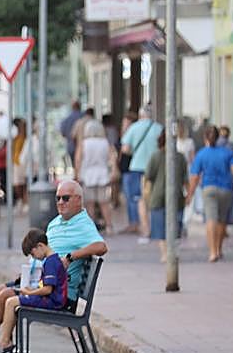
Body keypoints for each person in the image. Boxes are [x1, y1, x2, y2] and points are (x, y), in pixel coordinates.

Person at [0, 179, 107, 353]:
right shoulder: (55, 223)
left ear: (78, 199)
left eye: (65, 198)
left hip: (56, 292)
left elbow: (101, 246)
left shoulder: (83, 224)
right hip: (36, 279)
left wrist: (71, 257)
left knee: (7, 295)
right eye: (58, 198)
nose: (60, 202)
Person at [185, 125, 233, 262]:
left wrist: (189, 195)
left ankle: (212, 252)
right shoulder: (227, 153)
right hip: (226, 190)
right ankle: (219, 249)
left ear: (205, 138)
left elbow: (195, 177)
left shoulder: (201, 154)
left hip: (208, 189)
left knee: (211, 220)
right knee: (222, 221)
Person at [143, 132, 188, 262]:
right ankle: (172, 251)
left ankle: (164, 254)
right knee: (175, 225)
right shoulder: (180, 157)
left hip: (157, 197)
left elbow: (147, 178)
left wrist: (146, 195)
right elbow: (185, 179)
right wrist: (188, 195)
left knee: (159, 227)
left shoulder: (155, 157)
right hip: (177, 196)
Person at [120, 107, 162, 240]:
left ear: (140, 115)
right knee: (155, 200)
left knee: (141, 200)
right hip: (156, 167)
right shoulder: (159, 128)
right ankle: (157, 228)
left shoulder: (134, 128)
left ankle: (146, 229)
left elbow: (125, 148)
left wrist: (136, 153)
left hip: (137, 167)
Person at [75, 118, 115, 233]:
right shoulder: (105, 143)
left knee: (89, 203)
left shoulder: (83, 143)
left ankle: (91, 228)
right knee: (104, 202)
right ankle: (109, 226)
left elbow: (78, 160)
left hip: (87, 175)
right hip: (103, 174)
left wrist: (77, 174)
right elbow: (112, 158)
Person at [58, 100, 83, 168]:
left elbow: (62, 133)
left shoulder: (66, 119)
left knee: (75, 167)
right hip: (84, 147)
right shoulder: (84, 117)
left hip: (71, 147)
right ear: (80, 106)